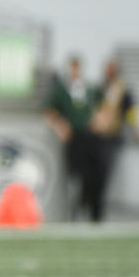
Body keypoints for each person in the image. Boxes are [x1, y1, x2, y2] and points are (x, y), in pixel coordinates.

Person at [84, 59, 139, 221]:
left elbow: (131, 111)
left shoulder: (122, 90)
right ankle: (92, 210)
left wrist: (136, 131)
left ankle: (97, 214)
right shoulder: (100, 89)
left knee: (103, 177)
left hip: (111, 139)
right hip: (94, 138)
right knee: (91, 178)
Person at [44, 55, 97, 220]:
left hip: (88, 138)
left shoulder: (88, 89)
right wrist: (60, 126)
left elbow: (99, 108)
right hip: (72, 139)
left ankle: (87, 210)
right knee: (73, 176)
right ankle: (72, 212)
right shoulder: (62, 91)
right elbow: (50, 113)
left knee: (89, 176)